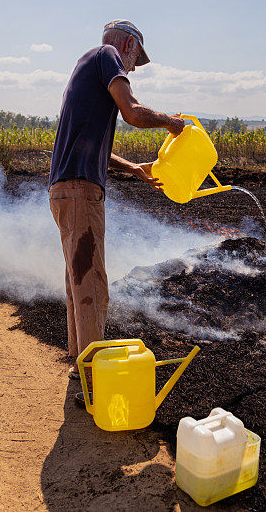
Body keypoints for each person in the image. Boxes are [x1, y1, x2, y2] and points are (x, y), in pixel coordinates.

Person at [48, 20, 185, 405]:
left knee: (78, 279)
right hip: (79, 191)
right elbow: (133, 112)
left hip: (64, 190)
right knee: (91, 283)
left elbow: (96, 149)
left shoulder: (84, 67)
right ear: (127, 44)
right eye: (134, 61)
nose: (132, 69)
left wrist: (135, 169)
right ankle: (94, 382)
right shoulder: (108, 56)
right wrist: (172, 123)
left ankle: (82, 366)